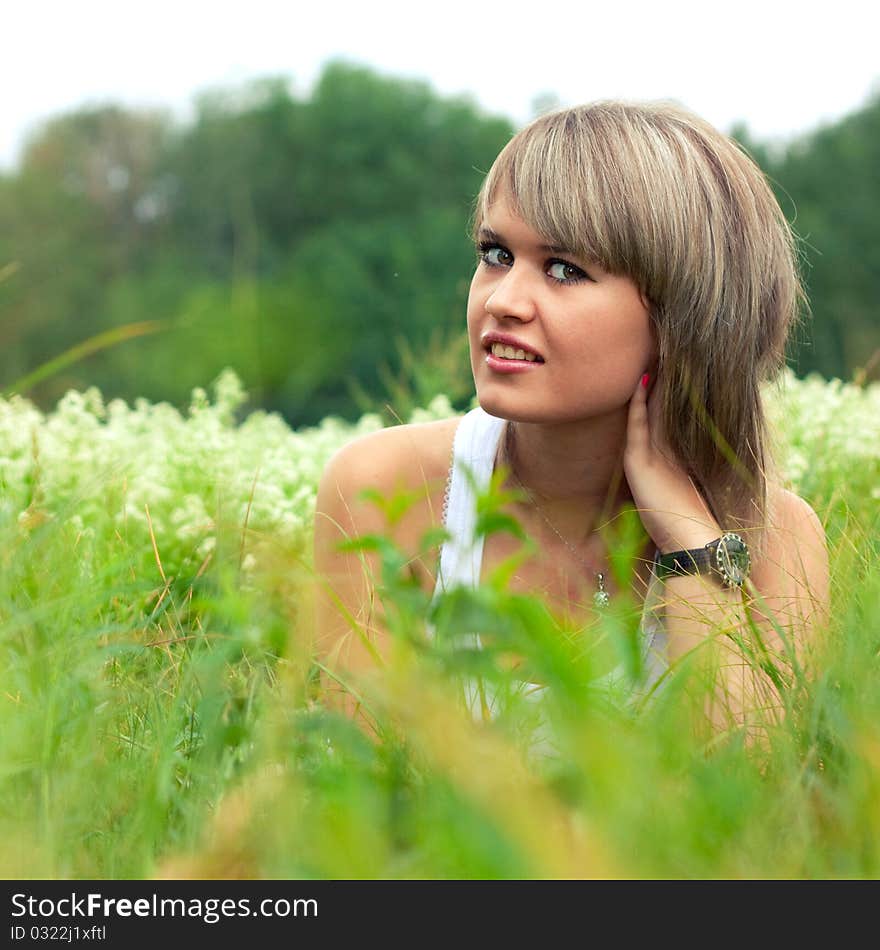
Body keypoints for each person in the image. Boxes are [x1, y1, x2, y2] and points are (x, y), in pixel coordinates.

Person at [311, 100, 830, 740]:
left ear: (685, 315)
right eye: (496, 254)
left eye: (565, 270)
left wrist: (692, 546)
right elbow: (349, 798)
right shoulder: (386, 491)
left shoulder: (774, 538)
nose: (502, 301)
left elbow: (746, 800)